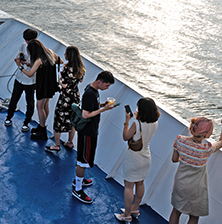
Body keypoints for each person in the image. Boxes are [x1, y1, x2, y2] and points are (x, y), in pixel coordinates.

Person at [169, 115, 222, 224]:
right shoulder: (206, 148)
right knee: (194, 216)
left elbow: (174, 159)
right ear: (205, 133)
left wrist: (187, 157)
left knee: (176, 211)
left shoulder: (180, 140)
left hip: (180, 183)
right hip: (196, 189)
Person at [71, 70, 118, 204]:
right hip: (88, 132)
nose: (107, 88)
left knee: (83, 158)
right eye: (106, 85)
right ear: (99, 82)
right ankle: (77, 189)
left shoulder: (92, 89)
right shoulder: (90, 94)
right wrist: (103, 110)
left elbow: (91, 107)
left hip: (90, 131)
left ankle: (78, 179)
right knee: (83, 160)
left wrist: (102, 105)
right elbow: (86, 115)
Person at [114, 97, 160, 222]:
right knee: (140, 183)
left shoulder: (137, 124)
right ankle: (135, 208)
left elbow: (125, 136)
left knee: (128, 186)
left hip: (134, 158)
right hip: (146, 157)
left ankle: (126, 215)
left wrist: (127, 121)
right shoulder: (155, 122)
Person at [15, 29, 62, 139]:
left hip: (42, 85)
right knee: (45, 105)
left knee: (39, 107)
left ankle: (42, 130)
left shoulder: (39, 60)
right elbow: (60, 62)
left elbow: (30, 74)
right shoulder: (49, 52)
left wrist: (20, 66)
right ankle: (42, 126)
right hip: (51, 84)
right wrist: (29, 64)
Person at [48, 46, 85, 151]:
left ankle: (56, 145)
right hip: (75, 96)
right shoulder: (81, 68)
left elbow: (64, 85)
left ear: (70, 55)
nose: (64, 55)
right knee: (72, 120)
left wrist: (59, 80)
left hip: (65, 98)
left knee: (59, 120)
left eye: (66, 53)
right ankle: (70, 142)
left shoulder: (67, 68)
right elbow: (80, 81)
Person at [5, 31, 36, 132]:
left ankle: (27, 122)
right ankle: (9, 117)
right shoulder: (23, 45)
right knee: (14, 98)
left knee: (30, 102)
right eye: (25, 40)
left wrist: (27, 63)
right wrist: (20, 57)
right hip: (19, 78)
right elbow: (19, 55)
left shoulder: (38, 51)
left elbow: (36, 66)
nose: (26, 42)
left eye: (28, 40)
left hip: (30, 81)